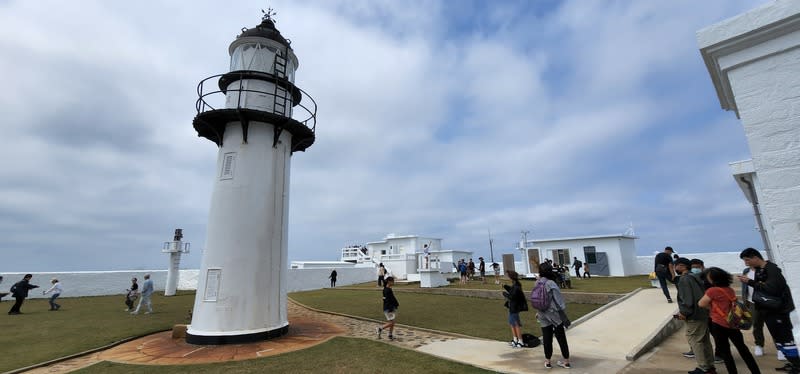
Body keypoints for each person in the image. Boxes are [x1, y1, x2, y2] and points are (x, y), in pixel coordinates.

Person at [737, 248, 799, 373]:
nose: (746, 263)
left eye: (748, 260)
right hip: (768, 311)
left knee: (786, 339)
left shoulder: (772, 269)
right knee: (779, 338)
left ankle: (797, 365)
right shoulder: (761, 270)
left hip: (778, 311)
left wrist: (750, 282)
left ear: (755, 257)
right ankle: (792, 362)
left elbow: (772, 289)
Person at [698, 267, 761, 374]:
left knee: (726, 352)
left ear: (714, 279)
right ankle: (755, 371)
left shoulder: (712, 290)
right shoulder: (729, 289)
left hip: (718, 324)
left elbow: (701, 303)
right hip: (733, 323)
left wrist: (713, 308)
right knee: (743, 350)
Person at [674, 257, 716, 374]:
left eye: (675, 266)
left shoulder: (684, 279)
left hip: (694, 316)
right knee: (705, 341)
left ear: (682, 266)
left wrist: (683, 313)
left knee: (695, 341)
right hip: (703, 313)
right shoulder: (696, 277)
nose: (675, 269)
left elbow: (687, 300)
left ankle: (703, 368)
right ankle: (710, 366)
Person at [536, 263, 571, 369]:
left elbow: (536, 299)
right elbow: (559, 302)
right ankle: (566, 362)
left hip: (542, 313)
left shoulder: (537, 282)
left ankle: (547, 361)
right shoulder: (551, 283)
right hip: (553, 314)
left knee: (547, 338)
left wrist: (538, 312)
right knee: (561, 337)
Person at [502, 270, 527, 348]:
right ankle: (515, 339)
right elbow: (512, 291)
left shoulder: (517, 286)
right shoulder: (515, 285)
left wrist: (505, 294)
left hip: (514, 308)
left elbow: (512, 296)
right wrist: (505, 286)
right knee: (512, 323)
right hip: (512, 307)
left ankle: (520, 341)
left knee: (516, 324)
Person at [376, 276, 399, 341]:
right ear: (389, 281)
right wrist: (390, 308)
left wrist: (396, 304)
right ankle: (380, 329)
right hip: (389, 308)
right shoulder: (387, 290)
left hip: (390, 307)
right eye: (392, 281)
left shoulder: (388, 289)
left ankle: (390, 335)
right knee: (391, 322)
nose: (393, 282)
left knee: (392, 322)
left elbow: (391, 298)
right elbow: (387, 300)